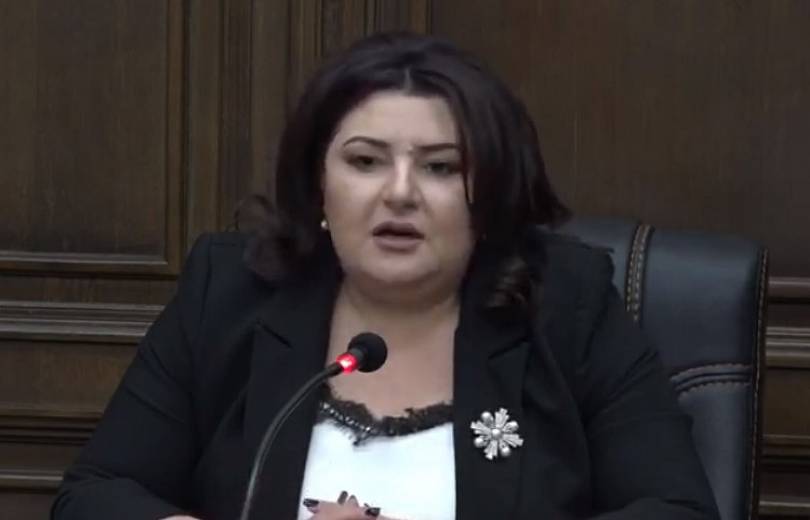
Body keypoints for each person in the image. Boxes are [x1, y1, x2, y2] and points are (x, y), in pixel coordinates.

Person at [51, 32, 720, 520]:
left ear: (488, 196)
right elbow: (95, 495)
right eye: (366, 162)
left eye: (440, 167)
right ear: (318, 183)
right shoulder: (231, 291)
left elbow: (676, 509)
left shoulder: (564, 304)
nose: (400, 194)